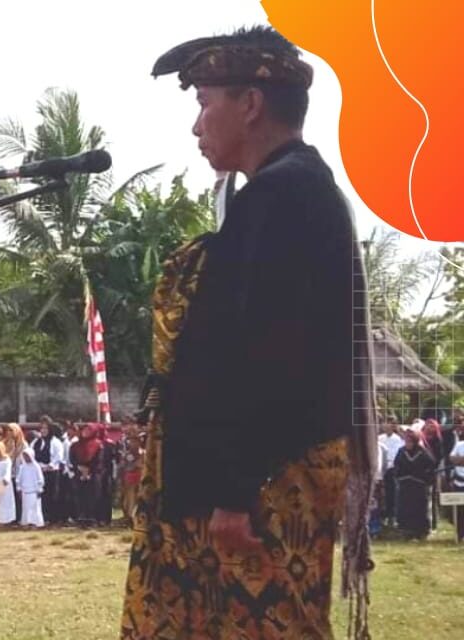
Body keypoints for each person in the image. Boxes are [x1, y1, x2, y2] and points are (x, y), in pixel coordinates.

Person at [123, 26, 379, 639]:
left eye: (204, 104)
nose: (196, 126)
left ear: (251, 105)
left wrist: (235, 489)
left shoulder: (285, 196)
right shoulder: (282, 192)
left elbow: (271, 354)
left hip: (263, 491)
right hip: (255, 481)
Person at [393, 430, 435, 540]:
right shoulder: (401, 452)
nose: (408, 444)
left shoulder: (423, 453)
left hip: (419, 486)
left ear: (415, 442)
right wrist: (400, 477)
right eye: (406, 441)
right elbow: (396, 466)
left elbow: (431, 467)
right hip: (405, 485)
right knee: (405, 508)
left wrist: (425, 479)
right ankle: (406, 531)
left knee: (419, 508)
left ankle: (421, 531)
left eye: (410, 442)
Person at [16, 447, 45, 529]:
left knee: (34, 508)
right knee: (25, 508)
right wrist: (19, 488)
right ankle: (26, 522)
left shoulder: (36, 467)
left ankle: (35, 523)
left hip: (34, 492)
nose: (26, 458)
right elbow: (19, 479)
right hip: (25, 491)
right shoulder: (22, 467)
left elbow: (40, 479)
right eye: (24, 456)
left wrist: (39, 489)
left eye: (27, 456)